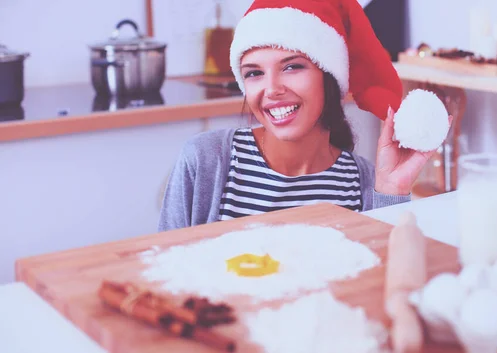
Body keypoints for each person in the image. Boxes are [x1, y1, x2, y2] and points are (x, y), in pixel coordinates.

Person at [158, 0, 451, 231]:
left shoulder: (363, 182)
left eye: (291, 67)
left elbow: (381, 282)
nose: (271, 89)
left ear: (329, 78)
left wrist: (392, 190)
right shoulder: (206, 160)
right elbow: (161, 271)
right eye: (254, 73)